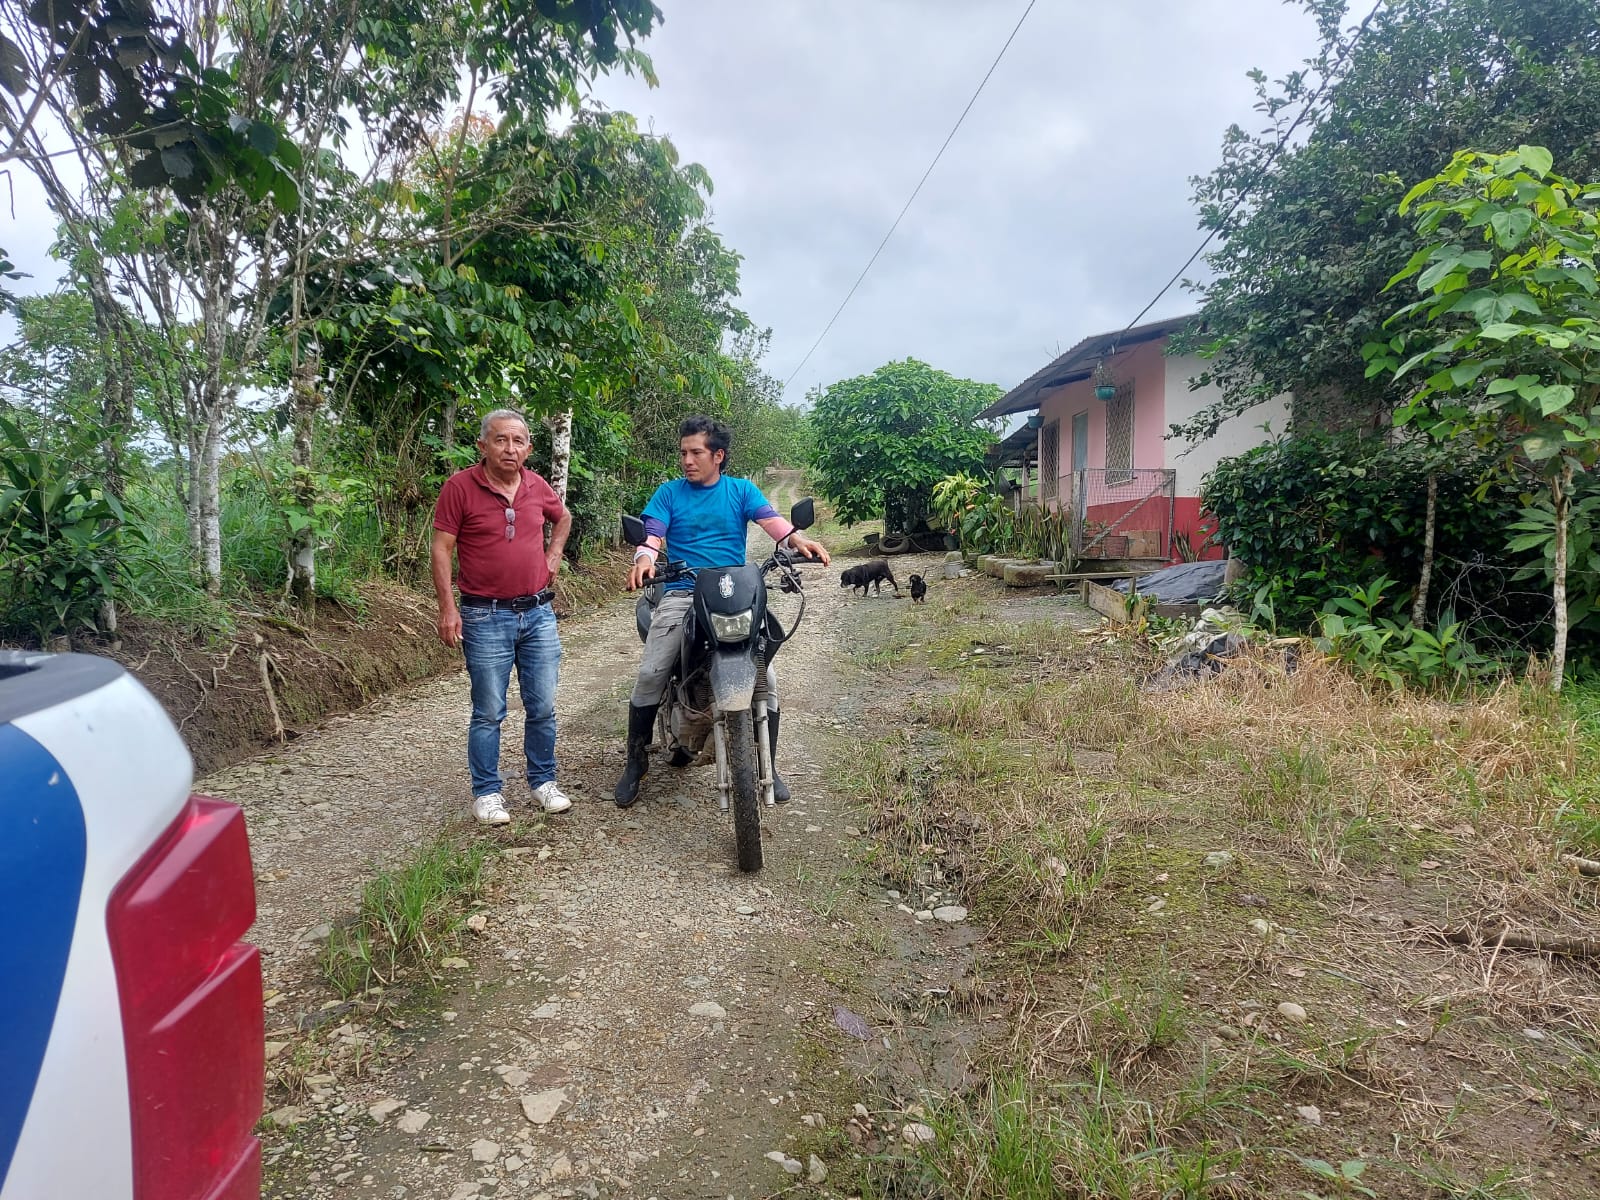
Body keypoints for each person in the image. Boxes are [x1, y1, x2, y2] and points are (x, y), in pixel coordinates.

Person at [616, 415, 830, 808]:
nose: (687, 460)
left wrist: (798, 541)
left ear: (718, 456)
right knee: (651, 672)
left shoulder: (741, 491)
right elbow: (652, 537)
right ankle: (635, 761)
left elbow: (775, 524)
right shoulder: (668, 494)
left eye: (696, 452)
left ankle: (768, 763)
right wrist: (644, 559)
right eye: (683, 452)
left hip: (734, 591)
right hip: (683, 592)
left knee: (767, 678)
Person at [432, 409, 574, 825]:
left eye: (518, 441)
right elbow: (441, 549)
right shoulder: (459, 488)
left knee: (542, 705)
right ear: (483, 446)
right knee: (489, 710)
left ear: (529, 448)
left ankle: (543, 782)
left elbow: (563, 517)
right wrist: (447, 608)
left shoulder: (536, 485)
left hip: (538, 613)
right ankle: (487, 792)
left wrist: (554, 554)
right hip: (484, 615)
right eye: (500, 440)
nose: (510, 448)